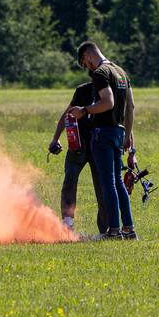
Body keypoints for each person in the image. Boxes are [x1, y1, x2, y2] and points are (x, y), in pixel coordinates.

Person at [69, 41, 138, 240]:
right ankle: (129, 229)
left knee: (108, 183)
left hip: (103, 133)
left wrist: (85, 110)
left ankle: (114, 231)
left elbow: (108, 102)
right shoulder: (121, 72)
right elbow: (130, 107)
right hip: (118, 132)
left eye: (85, 63)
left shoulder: (101, 73)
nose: (87, 68)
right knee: (117, 182)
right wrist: (127, 134)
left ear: (88, 55)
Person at [48, 82, 107, 236]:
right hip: (78, 145)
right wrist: (55, 139)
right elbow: (67, 114)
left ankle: (105, 229)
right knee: (70, 181)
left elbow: (119, 118)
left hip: (99, 146)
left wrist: (129, 142)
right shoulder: (83, 90)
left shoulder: (109, 91)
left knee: (102, 187)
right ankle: (67, 224)